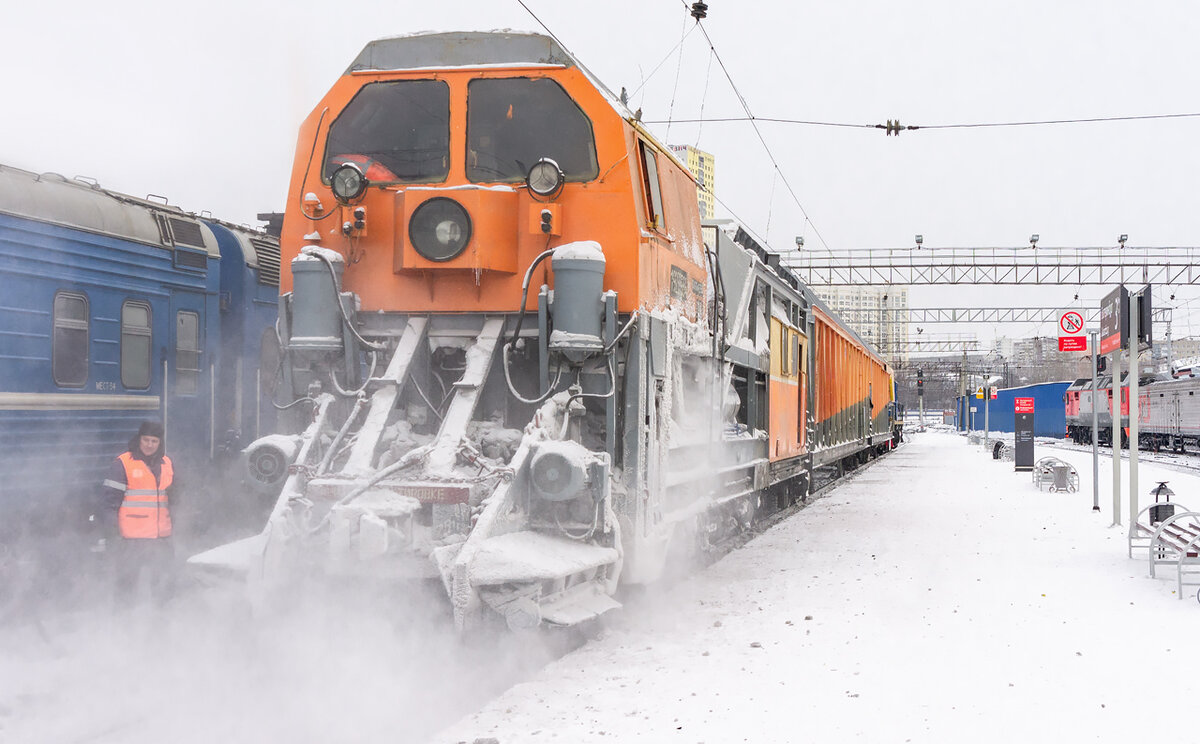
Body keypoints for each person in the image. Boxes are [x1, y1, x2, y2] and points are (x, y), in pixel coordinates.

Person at [98, 420, 178, 604]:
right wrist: (112, 535)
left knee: (164, 588)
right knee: (126, 588)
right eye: (146, 440)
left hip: (161, 539)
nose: (149, 445)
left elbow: (175, 499)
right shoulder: (123, 464)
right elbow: (110, 504)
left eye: (154, 441)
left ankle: (161, 625)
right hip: (132, 542)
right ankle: (124, 627)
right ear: (139, 439)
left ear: (160, 443)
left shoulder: (168, 464)